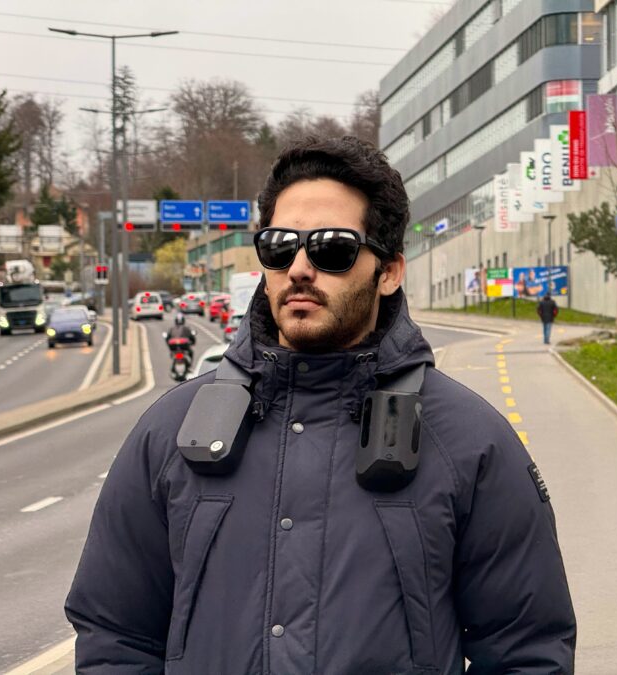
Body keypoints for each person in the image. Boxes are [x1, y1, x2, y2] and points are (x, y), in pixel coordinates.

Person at [66, 136, 576, 674]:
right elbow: (114, 637)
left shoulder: (470, 442)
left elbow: (526, 652)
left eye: (332, 249)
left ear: (389, 272)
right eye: (280, 247)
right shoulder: (170, 431)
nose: (301, 269)